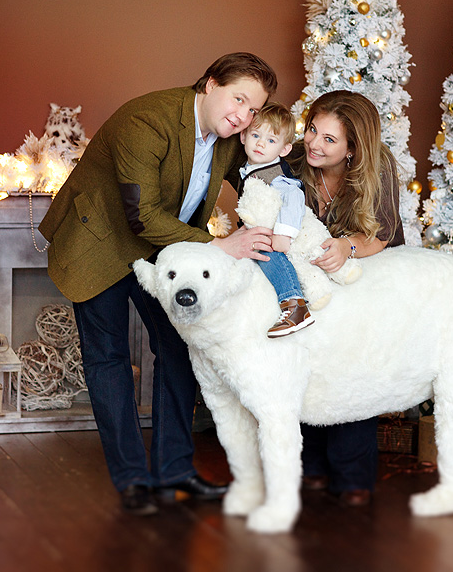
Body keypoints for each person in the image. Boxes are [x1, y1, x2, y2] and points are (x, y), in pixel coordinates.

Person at [38, 52, 277, 516]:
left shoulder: (230, 136)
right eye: (238, 99)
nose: (243, 116)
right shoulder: (146, 120)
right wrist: (220, 246)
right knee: (109, 360)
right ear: (211, 84)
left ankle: (173, 472)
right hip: (99, 242)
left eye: (253, 109)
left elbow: (262, 176)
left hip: (160, 251)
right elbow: (143, 216)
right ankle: (132, 480)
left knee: (179, 350)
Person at [289, 90, 405, 507]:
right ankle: (312, 465)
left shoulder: (379, 167)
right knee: (307, 362)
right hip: (310, 277)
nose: (314, 143)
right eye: (312, 129)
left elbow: (382, 233)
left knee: (352, 366)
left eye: (329, 139)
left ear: (352, 148)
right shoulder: (294, 162)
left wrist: (346, 246)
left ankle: (352, 473)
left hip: (365, 273)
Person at [238, 102, 315, 338]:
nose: (261, 144)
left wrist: (283, 233)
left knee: (268, 254)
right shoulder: (250, 167)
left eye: (271, 140)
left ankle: (294, 304)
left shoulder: (275, 175)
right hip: (263, 231)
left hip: (281, 235)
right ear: (243, 136)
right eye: (256, 135)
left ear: (284, 149)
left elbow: (295, 196)